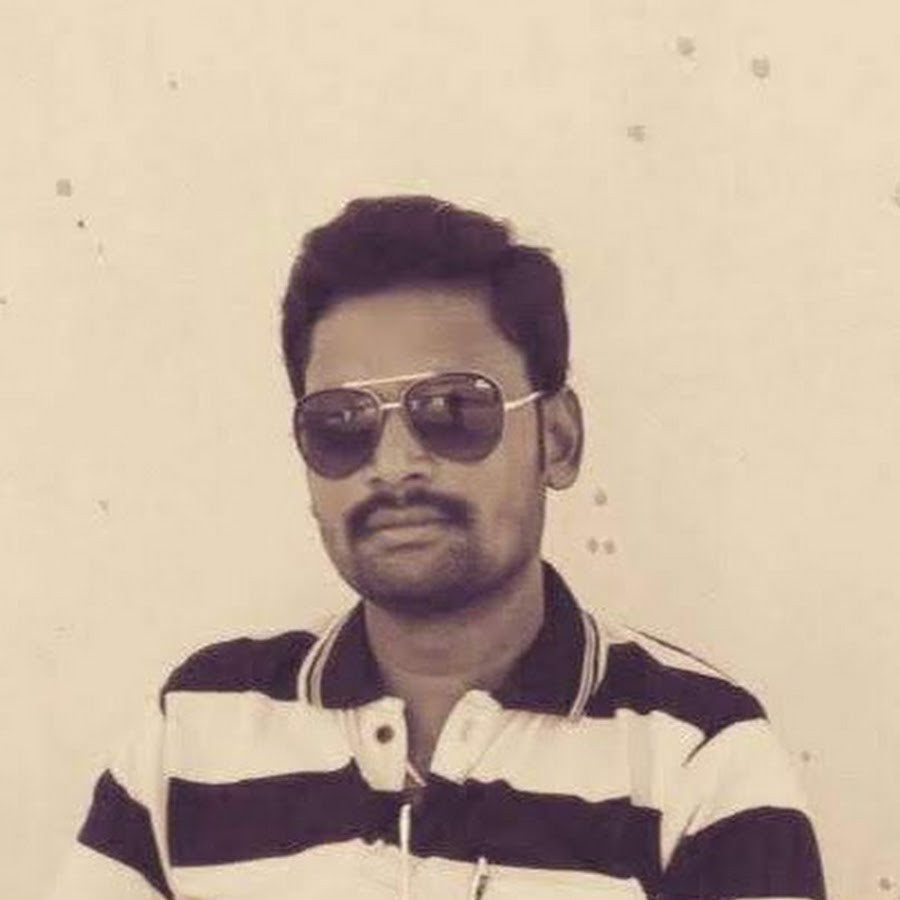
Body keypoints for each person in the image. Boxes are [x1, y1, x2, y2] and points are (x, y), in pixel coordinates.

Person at [51, 196, 827, 899]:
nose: (393, 465)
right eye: (341, 424)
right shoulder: (196, 732)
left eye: (452, 409)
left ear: (558, 439)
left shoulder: (695, 756)